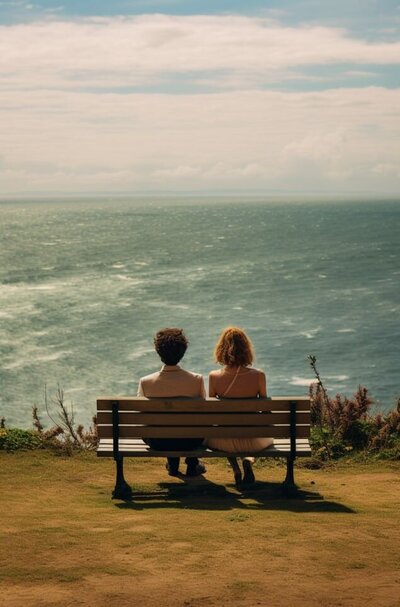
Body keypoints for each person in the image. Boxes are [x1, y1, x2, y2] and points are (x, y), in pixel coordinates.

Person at [206, 326, 273, 485]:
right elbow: (266, 411)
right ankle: (248, 460)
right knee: (246, 431)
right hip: (254, 441)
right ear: (246, 349)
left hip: (223, 441)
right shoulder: (259, 376)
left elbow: (211, 412)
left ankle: (235, 469)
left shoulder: (214, 377)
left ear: (221, 349)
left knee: (227, 430)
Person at [137, 328, 206, 477]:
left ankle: (173, 464)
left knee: (163, 423)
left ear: (158, 352)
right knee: (193, 423)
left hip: (158, 440)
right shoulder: (196, 380)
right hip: (190, 441)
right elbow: (201, 414)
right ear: (183, 352)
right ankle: (192, 464)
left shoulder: (146, 382)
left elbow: (142, 416)